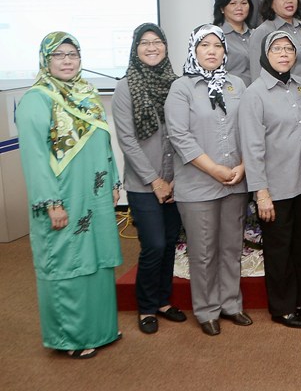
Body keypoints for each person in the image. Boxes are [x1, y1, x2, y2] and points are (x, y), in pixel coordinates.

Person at [17, 32, 122, 358]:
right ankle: (72, 338)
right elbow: (35, 158)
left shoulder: (86, 94)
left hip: (94, 194)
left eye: (72, 54)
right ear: (45, 60)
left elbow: (104, 142)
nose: (67, 61)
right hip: (63, 197)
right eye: (59, 55)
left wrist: (114, 181)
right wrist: (52, 203)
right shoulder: (37, 99)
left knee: (96, 260)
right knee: (68, 262)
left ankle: (100, 329)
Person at [165, 25, 250, 336]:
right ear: (194, 50)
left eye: (217, 45)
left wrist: (244, 166)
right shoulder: (182, 88)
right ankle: (207, 310)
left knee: (231, 247)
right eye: (204, 45)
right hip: (198, 184)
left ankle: (231, 304)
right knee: (203, 251)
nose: (212, 51)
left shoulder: (237, 84)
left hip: (236, 180)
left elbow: (251, 128)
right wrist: (214, 169)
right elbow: (179, 136)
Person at [239, 31, 301, 328]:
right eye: (277, 49)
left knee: (300, 245)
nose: (284, 54)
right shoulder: (255, 93)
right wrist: (261, 193)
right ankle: (282, 308)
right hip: (275, 187)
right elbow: (252, 147)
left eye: (289, 48)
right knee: (279, 249)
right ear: (265, 54)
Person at [112, 23, 187, 334]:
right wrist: (155, 181)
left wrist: (173, 179)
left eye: (157, 41)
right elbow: (127, 140)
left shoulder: (176, 84)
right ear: (135, 48)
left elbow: (182, 133)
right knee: (153, 244)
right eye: (145, 42)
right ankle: (145, 306)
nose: (152, 47)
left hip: (175, 180)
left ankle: (163, 301)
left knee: (169, 242)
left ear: (166, 47)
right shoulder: (125, 87)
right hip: (143, 185)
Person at [249, 0, 301, 81]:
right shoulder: (262, 31)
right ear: (271, 3)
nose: (289, 0)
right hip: (282, 90)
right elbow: (257, 74)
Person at [213, 0, 255, 85]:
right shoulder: (215, 36)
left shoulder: (257, 34)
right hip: (230, 91)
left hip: (257, 92)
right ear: (222, 8)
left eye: (244, 3)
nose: (239, 7)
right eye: (233, 3)